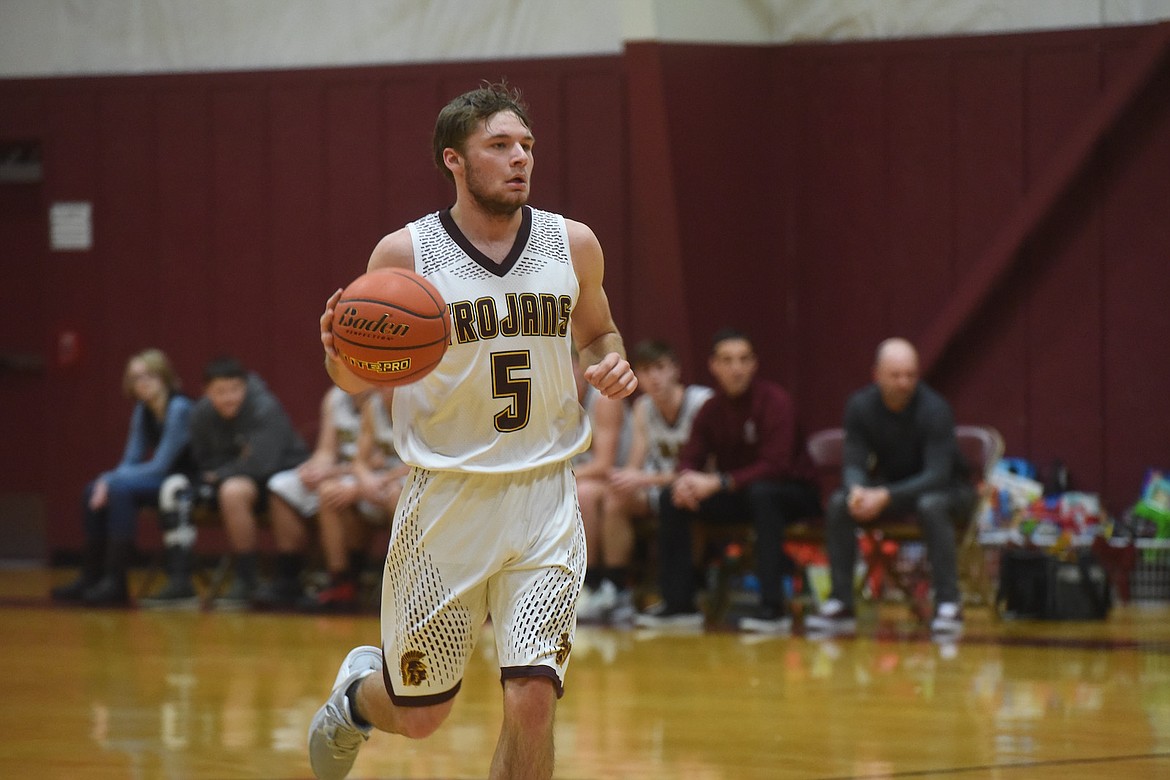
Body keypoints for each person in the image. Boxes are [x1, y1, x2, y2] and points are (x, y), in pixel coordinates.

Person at [308, 81, 637, 780]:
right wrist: (339, 355)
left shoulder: (572, 244)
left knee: (533, 701)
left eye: (527, 146)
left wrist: (610, 365)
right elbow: (360, 380)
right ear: (454, 160)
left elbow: (599, 332)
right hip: (444, 503)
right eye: (500, 146)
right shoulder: (406, 255)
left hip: (545, 497)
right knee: (422, 715)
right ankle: (357, 703)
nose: (520, 158)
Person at [634, 328, 820, 634]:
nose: (736, 368)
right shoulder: (711, 410)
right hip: (741, 494)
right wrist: (685, 481)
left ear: (754, 364)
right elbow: (691, 458)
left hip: (793, 493)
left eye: (744, 360)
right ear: (713, 366)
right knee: (672, 498)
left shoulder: (775, 402)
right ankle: (679, 604)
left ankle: (773, 608)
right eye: (728, 360)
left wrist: (719, 482)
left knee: (764, 494)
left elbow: (776, 465)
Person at [805, 337, 975, 635]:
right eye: (895, 376)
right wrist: (858, 491)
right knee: (839, 503)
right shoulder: (860, 406)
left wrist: (884, 496)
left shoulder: (936, 409)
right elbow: (854, 462)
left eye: (910, 375)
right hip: (895, 488)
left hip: (948, 490)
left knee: (930, 505)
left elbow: (936, 474)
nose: (904, 383)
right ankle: (841, 601)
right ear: (877, 375)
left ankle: (948, 603)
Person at [141, 355, 310, 608]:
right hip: (240, 484)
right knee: (224, 491)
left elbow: (262, 464)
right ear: (206, 391)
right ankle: (241, 576)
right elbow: (203, 462)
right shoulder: (200, 415)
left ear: (245, 386)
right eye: (220, 391)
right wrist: (234, 465)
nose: (229, 397)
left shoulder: (264, 407)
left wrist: (223, 472)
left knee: (247, 489)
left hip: (282, 476)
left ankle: (283, 577)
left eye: (234, 390)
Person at [579, 339, 713, 623]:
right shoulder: (643, 407)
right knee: (616, 495)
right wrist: (628, 478)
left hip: (699, 488)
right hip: (659, 487)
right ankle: (613, 587)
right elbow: (634, 466)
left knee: (672, 497)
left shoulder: (701, 402)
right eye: (646, 370)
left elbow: (708, 470)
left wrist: (644, 478)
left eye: (660, 368)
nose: (654, 377)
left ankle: (688, 585)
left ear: (676, 370)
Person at [51, 349, 193, 606]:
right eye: (136, 377)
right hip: (159, 479)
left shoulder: (179, 407)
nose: (143, 382)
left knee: (116, 489)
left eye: (150, 375)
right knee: (91, 490)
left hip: (183, 481)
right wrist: (106, 479)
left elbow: (161, 464)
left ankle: (116, 581)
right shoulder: (143, 410)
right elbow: (131, 458)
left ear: (164, 377)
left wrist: (110, 480)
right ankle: (91, 576)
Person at [261, 386, 381, 609]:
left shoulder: (384, 396)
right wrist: (313, 468)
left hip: (370, 475)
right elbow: (326, 451)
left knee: (334, 491)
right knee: (280, 485)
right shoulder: (335, 397)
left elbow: (380, 458)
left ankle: (347, 578)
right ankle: (289, 574)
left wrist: (332, 473)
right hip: (340, 471)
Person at [300, 385, 409, 612]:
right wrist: (364, 481)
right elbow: (360, 459)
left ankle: (405, 585)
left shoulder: (416, 406)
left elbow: (419, 461)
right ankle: (341, 581)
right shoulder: (373, 406)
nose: (386, 391)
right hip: (379, 479)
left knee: (395, 497)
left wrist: (378, 481)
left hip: (407, 478)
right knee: (329, 492)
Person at [572, 349, 632, 622]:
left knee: (582, 494)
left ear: (581, 367)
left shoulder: (603, 398)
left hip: (621, 479)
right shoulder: (550, 399)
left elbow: (604, 465)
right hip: (584, 478)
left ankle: (594, 584)